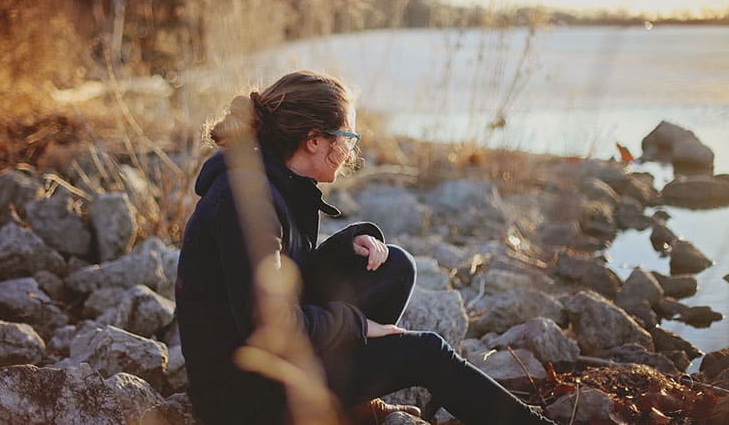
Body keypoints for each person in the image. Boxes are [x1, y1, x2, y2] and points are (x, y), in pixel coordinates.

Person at [175, 70, 554, 424]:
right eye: (348, 139)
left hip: (273, 364)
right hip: (242, 397)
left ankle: (348, 400)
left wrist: (344, 246)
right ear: (314, 140)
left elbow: (284, 274)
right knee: (427, 352)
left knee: (395, 268)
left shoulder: (279, 181)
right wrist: (358, 325)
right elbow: (268, 325)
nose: (352, 152)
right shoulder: (246, 200)